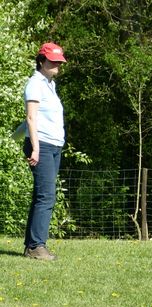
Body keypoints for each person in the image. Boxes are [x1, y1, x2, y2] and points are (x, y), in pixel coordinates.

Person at [22, 42, 67, 260]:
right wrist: (36, 149)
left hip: (54, 145)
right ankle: (36, 247)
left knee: (42, 196)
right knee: (46, 196)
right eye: (53, 61)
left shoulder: (50, 84)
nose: (57, 65)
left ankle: (32, 245)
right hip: (42, 145)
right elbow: (31, 118)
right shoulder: (35, 84)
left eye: (59, 62)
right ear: (41, 61)